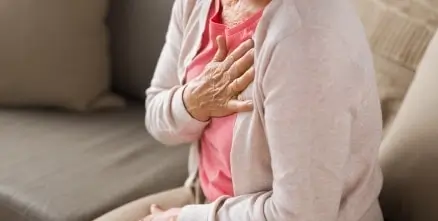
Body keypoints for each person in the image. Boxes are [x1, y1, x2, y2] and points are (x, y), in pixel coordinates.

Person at [95, 0, 384, 220]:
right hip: (207, 201)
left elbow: (300, 215)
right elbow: (156, 116)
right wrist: (194, 102)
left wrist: (186, 217)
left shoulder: (307, 38)